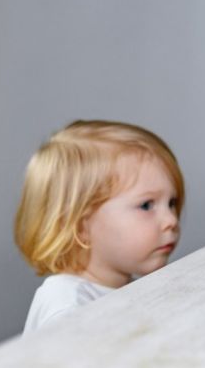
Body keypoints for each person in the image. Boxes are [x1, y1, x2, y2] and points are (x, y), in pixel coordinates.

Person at [14, 120, 185, 333]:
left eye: (172, 203)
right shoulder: (68, 308)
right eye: (146, 205)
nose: (171, 220)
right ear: (81, 226)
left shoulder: (126, 288)